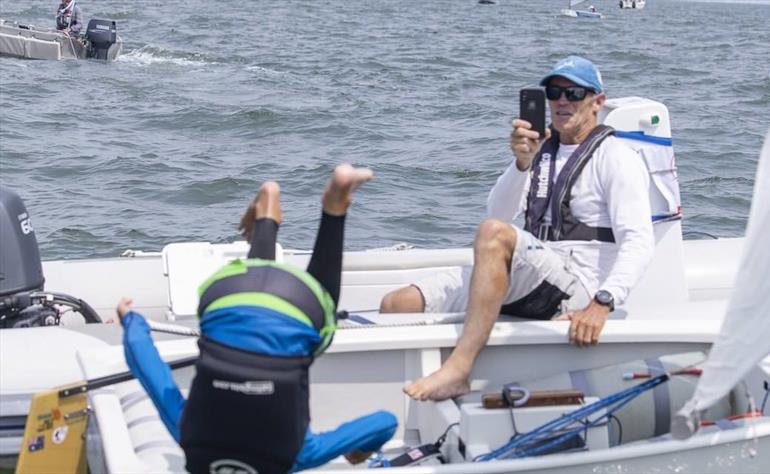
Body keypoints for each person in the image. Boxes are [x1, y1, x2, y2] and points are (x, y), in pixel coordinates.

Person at [381, 56, 654, 401]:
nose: (562, 100)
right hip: (532, 272)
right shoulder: (541, 151)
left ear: (597, 101)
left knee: (494, 235)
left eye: (574, 92)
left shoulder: (616, 157)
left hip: (577, 284)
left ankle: (459, 370)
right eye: (554, 92)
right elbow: (496, 213)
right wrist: (522, 163)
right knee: (398, 303)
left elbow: (639, 240)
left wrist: (602, 303)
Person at [118, 164, 398, 473]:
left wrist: (359, 451)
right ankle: (266, 214)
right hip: (226, 294)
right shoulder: (187, 435)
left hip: (294, 303)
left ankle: (335, 208)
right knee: (250, 305)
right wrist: (132, 320)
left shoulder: (298, 457)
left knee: (320, 314)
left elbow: (386, 423)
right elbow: (144, 362)